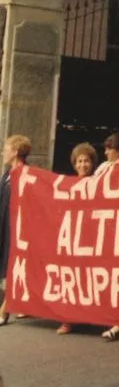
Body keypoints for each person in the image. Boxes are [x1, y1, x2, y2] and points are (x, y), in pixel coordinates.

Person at [57, 142, 98, 335]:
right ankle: (68, 320)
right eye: (80, 161)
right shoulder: (67, 185)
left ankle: (88, 316)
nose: (83, 165)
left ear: (92, 163)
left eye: (87, 161)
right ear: (74, 164)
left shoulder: (99, 183)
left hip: (91, 239)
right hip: (72, 238)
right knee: (71, 279)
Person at [0, 136, 32, 327]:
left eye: (6, 148)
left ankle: (4, 310)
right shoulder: (7, 174)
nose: (4, 152)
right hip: (3, 224)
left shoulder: (25, 173)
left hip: (16, 227)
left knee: (13, 266)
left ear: (15, 152)